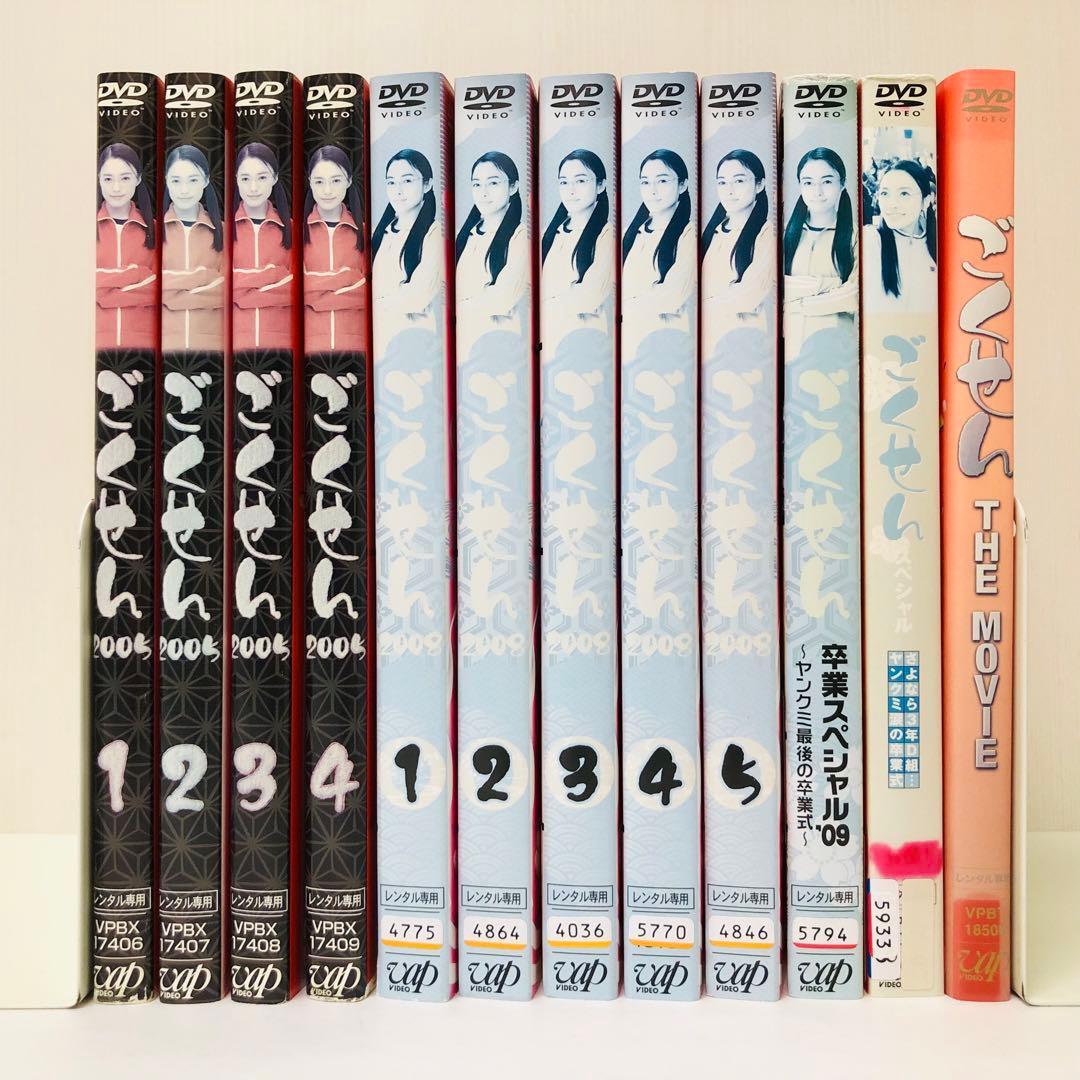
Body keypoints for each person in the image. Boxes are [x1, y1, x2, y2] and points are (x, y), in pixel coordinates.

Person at [621, 149, 694, 358]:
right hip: (631, 342)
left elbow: (670, 299)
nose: (652, 190)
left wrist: (630, 301)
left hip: (667, 346)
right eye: (645, 182)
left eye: (662, 181)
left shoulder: (688, 235)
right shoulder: (632, 235)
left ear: (682, 185)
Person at [455, 151, 528, 362]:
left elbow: (500, 300)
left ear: (513, 187)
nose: (483, 192)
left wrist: (463, 302)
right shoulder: (465, 237)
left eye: (493, 183)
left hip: (501, 350)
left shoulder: (520, 237)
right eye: (477, 184)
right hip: (465, 348)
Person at [701, 148, 774, 353]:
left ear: (759, 184)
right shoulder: (711, 234)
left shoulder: (767, 234)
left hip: (745, 345)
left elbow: (747, 298)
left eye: (739, 181)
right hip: (708, 343)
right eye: (722, 182)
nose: (729, 190)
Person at [783, 147, 858, 345]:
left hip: (836, 346)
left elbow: (853, 295)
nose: (817, 192)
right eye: (808, 182)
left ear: (842, 183)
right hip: (791, 346)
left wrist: (797, 303)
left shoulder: (855, 235)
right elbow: (773, 288)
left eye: (827, 181)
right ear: (800, 186)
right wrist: (831, 285)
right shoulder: (783, 234)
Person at [371, 148, 442, 347]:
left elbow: (416, 298)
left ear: (427, 184)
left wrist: (376, 300)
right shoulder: (380, 234)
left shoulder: (434, 233)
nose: (398, 190)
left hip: (415, 343)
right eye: (391, 182)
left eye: (407, 180)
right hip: (380, 342)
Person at [541, 149, 613, 347]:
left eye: (580, 181)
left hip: (586, 342)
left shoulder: (607, 236)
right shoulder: (550, 236)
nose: (570, 190)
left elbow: (587, 299)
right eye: (564, 182)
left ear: (601, 185)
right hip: (550, 341)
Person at [303, 145, 367, 352]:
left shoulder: (366, 233)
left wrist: (317, 293)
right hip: (310, 350)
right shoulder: (294, 234)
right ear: (310, 182)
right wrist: (349, 277)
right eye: (319, 181)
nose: (327, 191)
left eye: (336, 180)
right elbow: (296, 291)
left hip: (357, 348)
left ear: (349, 180)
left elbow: (371, 293)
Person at [161, 145, 224, 352]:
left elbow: (228, 291)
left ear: (206, 180)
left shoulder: (225, 232)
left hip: (214, 348)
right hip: (165, 349)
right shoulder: (151, 232)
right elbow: (147, 291)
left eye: (193, 180)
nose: (184, 190)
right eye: (176, 181)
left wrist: (171, 291)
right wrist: (206, 276)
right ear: (166, 181)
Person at [232, 142, 294, 351]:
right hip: (235, 346)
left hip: (282, 345)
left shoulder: (294, 230)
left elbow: (296, 289)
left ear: (275, 177)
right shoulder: (221, 231)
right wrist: (275, 274)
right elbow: (219, 289)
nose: (253, 188)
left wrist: (242, 287)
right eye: (245, 178)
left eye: (262, 177)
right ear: (236, 179)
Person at [96, 142, 156, 350]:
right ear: (98, 179)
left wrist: (104, 292)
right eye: (108, 179)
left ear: (138, 178)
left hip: (143, 348)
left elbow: (160, 288)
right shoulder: (81, 229)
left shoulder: (157, 231)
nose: (116, 188)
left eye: (125, 178)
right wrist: (138, 274)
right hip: (93, 348)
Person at [862, 159, 937, 311]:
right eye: (885, 193)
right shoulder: (871, 240)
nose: (892, 204)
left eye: (904, 193)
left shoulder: (938, 244)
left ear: (927, 200)